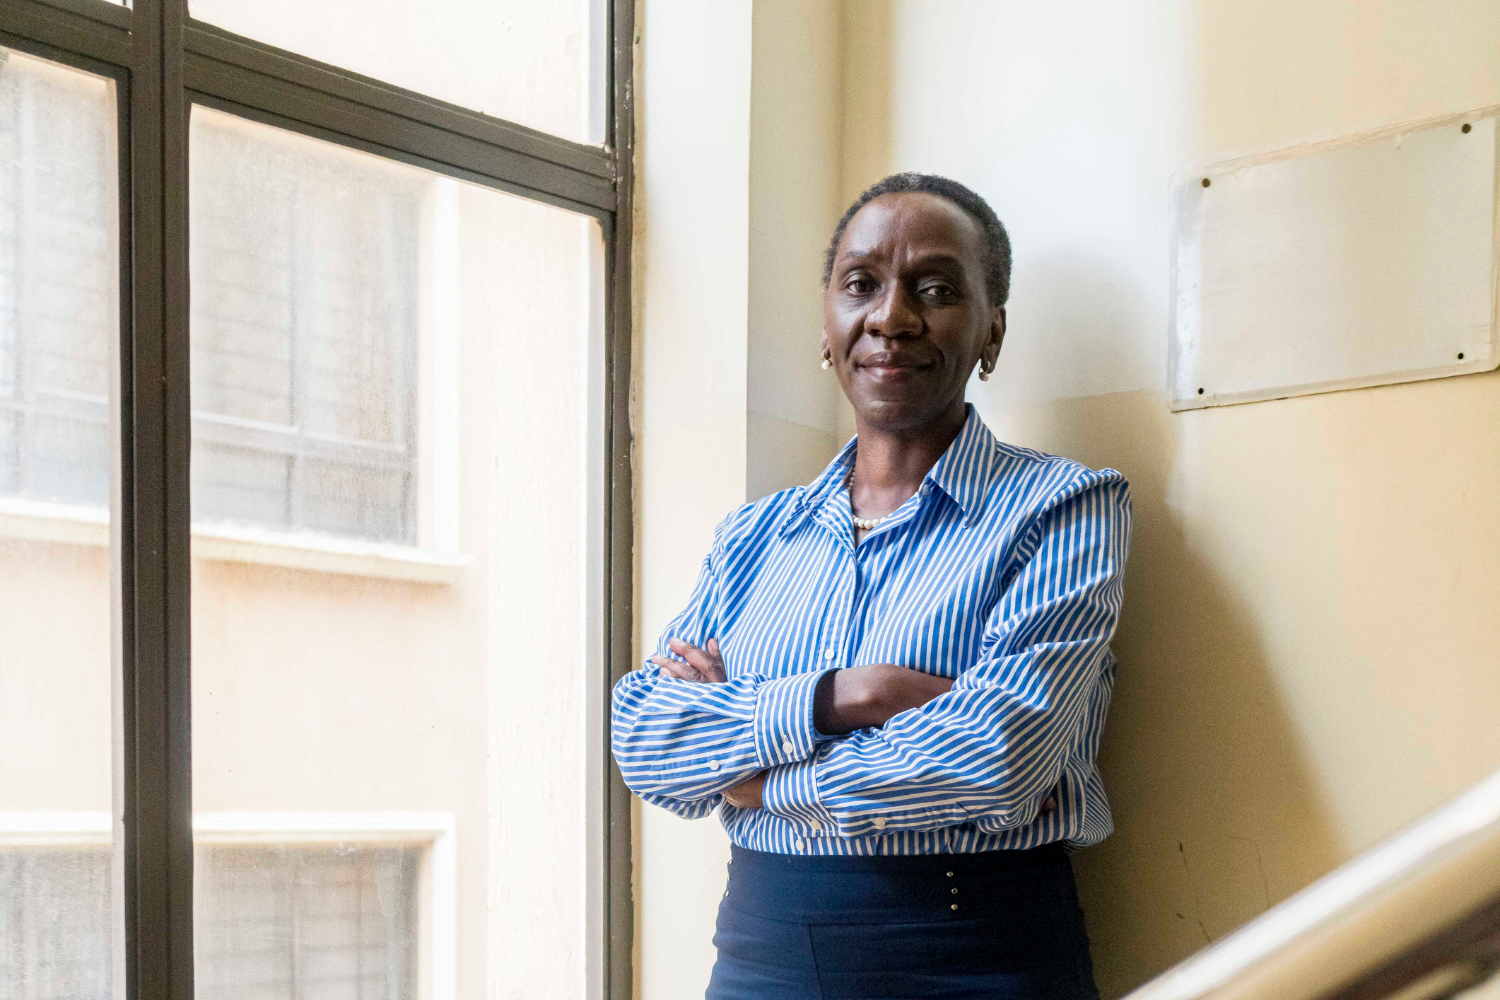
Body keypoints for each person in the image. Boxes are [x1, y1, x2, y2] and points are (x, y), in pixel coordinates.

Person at [611, 172, 1131, 1000]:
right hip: (762, 961)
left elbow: (1000, 756)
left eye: (936, 289)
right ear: (828, 329)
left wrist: (758, 778)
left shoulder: (1063, 507)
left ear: (992, 332)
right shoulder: (755, 535)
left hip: (977, 956)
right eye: (861, 285)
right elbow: (646, 737)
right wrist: (854, 694)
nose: (892, 316)